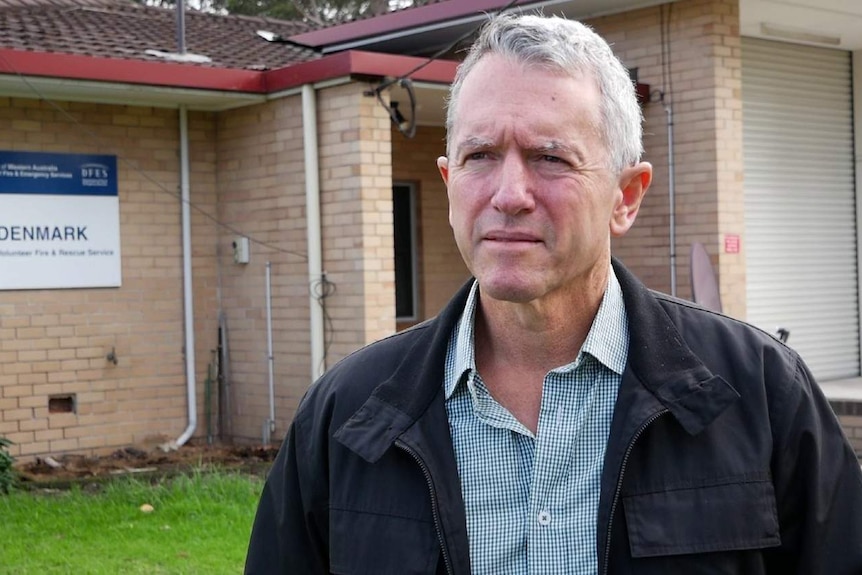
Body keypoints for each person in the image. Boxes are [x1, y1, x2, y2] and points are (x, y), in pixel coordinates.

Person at [244, 14, 862, 575]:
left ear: (627, 196)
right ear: (448, 182)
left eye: (550, 158)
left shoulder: (758, 394)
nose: (509, 193)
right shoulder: (343, 416)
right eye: (479, 156)